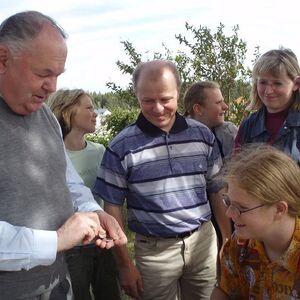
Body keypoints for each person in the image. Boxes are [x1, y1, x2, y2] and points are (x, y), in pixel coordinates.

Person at [0, 11, 127, 299]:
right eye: (43, 74)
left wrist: (93, 212)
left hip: (58, 285)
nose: (53, 87)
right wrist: (56, 240)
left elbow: (66, 182)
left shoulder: (44, 115)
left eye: (57, 75)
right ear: (3, 58)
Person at [94, 60, 231, 300]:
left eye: (166, 99)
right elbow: (112, 206)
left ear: (178, 93)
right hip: (154, 252)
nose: (158, 108)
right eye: (148, 100)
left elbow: (216, 190)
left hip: (203, 244)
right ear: (137, 96)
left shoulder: (203, 135)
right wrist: (125, 265)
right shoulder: (120, 146)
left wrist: (227, 240)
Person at [48, 89, 121, 300]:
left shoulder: (100, 151)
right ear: (67, 111)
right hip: (71, 249)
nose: (95, 113)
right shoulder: (51, 154)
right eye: (89, 107)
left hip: (102, 242)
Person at [211, 144, 300, 299]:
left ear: (279, 209)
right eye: (228, 202)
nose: (229, 213)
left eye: (241, 207)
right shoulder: (238, 245)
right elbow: (225, 290)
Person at [234, 48, 300, 163]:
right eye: (263, 82)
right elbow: (235, 171)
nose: (268, 91)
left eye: (277, 83)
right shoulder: (248, 125)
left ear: (296, 84)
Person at [183, 81, 237, 161]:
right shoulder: (176, 138)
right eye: (218, 102)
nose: (225, 107)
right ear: (198, 109)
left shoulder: (227, 132)